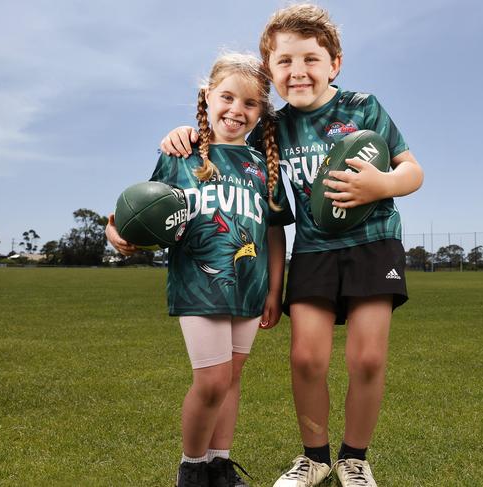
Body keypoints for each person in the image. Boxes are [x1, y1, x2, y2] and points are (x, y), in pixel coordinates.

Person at [159, 5, 424, 486]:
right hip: (314, 250)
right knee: (305, 359)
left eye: (310, 59)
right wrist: (185, 133)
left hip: (373, 243)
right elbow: (225, 141)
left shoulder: (362, 106)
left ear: (334, 64)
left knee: (367, 358)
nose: (297, 71)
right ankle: (316, 457)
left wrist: (379, 185)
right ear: (271, 71)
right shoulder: (271, 129)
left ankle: (354, 459)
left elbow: (413, 171)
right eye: (284, 62)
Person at [107, 52, 293, 487]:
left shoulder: (262, 166)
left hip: (249, 287)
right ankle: (191, 469)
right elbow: (142, 211)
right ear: (207, 97)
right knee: (210, 382)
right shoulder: (181, 152)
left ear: (260, 112)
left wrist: (274, 290)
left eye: (249, 104)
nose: (236, 110)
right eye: (227, 97)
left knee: (230, 381)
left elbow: (274, 234)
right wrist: (114, 232)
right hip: (200, 284)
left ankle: (219, 464)